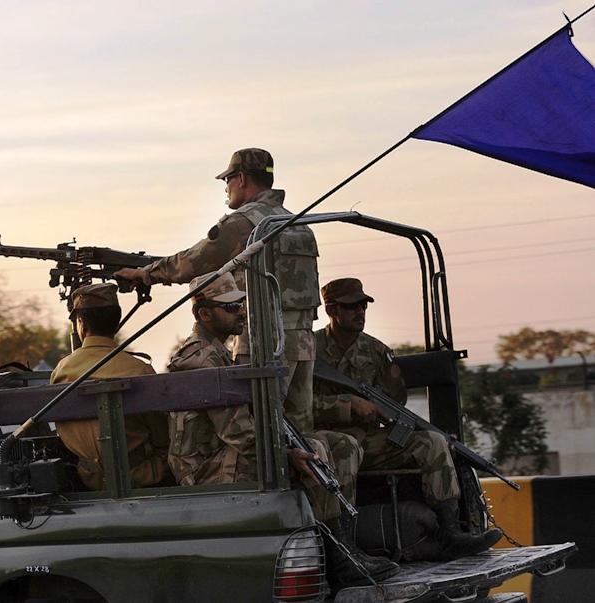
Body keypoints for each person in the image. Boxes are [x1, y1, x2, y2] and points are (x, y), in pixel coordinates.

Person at [168, 273, 397, 588]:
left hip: (224, 455)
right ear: (203, 314)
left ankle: (343, 549)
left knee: (328, 446)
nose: (241, 311)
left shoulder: (218, 352)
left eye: (241, 304)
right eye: (230, 306)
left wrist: (290, 445)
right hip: (203, 467)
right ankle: (337, 558)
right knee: (311, 453)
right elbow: (238, 433)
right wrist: (288, 452)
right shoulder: (200, 358)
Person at [115, 148, 320, 434]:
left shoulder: (246, 222)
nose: (226, 188)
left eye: (227, 180)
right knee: (300, 432)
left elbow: (194, 261)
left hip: (263, 341)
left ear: (241, 178)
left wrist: (143, 274)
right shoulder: (296, 223)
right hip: (303, 342)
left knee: (262, 429)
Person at [313, 277, 504, 560]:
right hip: (322, 444)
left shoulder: (376, 351)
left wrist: (414, 426)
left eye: (363, 306)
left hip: (367, 441)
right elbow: (296, 405)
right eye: (351, 306)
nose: (360, 312)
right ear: (331, 310)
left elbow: (393, 405)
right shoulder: (310, 349)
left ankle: (451, 534)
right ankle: (345, 550)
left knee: (432, 442)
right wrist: (348, 404)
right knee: (346, 448)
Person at [51, 282, 171, 491]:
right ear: (116, 324)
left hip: (88, 479)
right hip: (143, 478)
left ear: (82, 324)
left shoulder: (62, 371)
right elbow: (162, 437)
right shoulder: (139, 370)